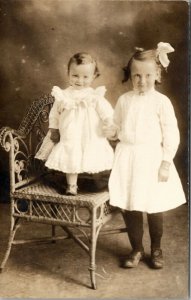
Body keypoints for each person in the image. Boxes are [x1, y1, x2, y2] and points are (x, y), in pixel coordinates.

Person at [104, 42, 186, 269]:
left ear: (158, 74)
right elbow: (118, 127)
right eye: (136, 75)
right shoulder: (124, 100)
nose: (142, 80)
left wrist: (166, 162)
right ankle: (136, 248)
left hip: (151, 158)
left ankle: (156, 248)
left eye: (148, 75)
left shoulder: (161, 102)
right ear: (130, 76)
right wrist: (110, 131)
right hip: (128, 157)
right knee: (131, 206)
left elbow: (171, 133)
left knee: (154, 205)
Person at [35, 52, 114, 195]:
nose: (80, 80)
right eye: (75, 75)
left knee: (94, 154)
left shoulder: (94, 96)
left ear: (93, 76)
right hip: (70, 134)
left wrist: (109, 122)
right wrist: (54, 129)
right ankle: (72, 185)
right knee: (71, 156)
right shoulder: (63, 95)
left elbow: (106, 111)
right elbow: (54, 114)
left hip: (90, 134)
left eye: (85, 77)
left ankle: (100, 181)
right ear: (68, 74)